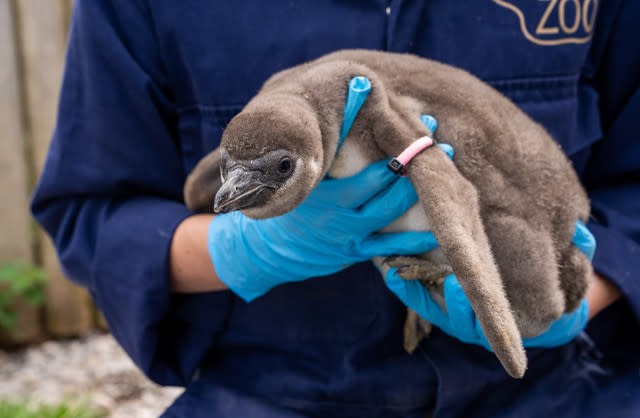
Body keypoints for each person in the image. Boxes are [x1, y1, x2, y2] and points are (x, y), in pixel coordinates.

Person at [31, 1, 639, 417]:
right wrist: (244, 247)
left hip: (550, 388)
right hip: (272, 394)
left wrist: (567, 305)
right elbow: (96, 217)